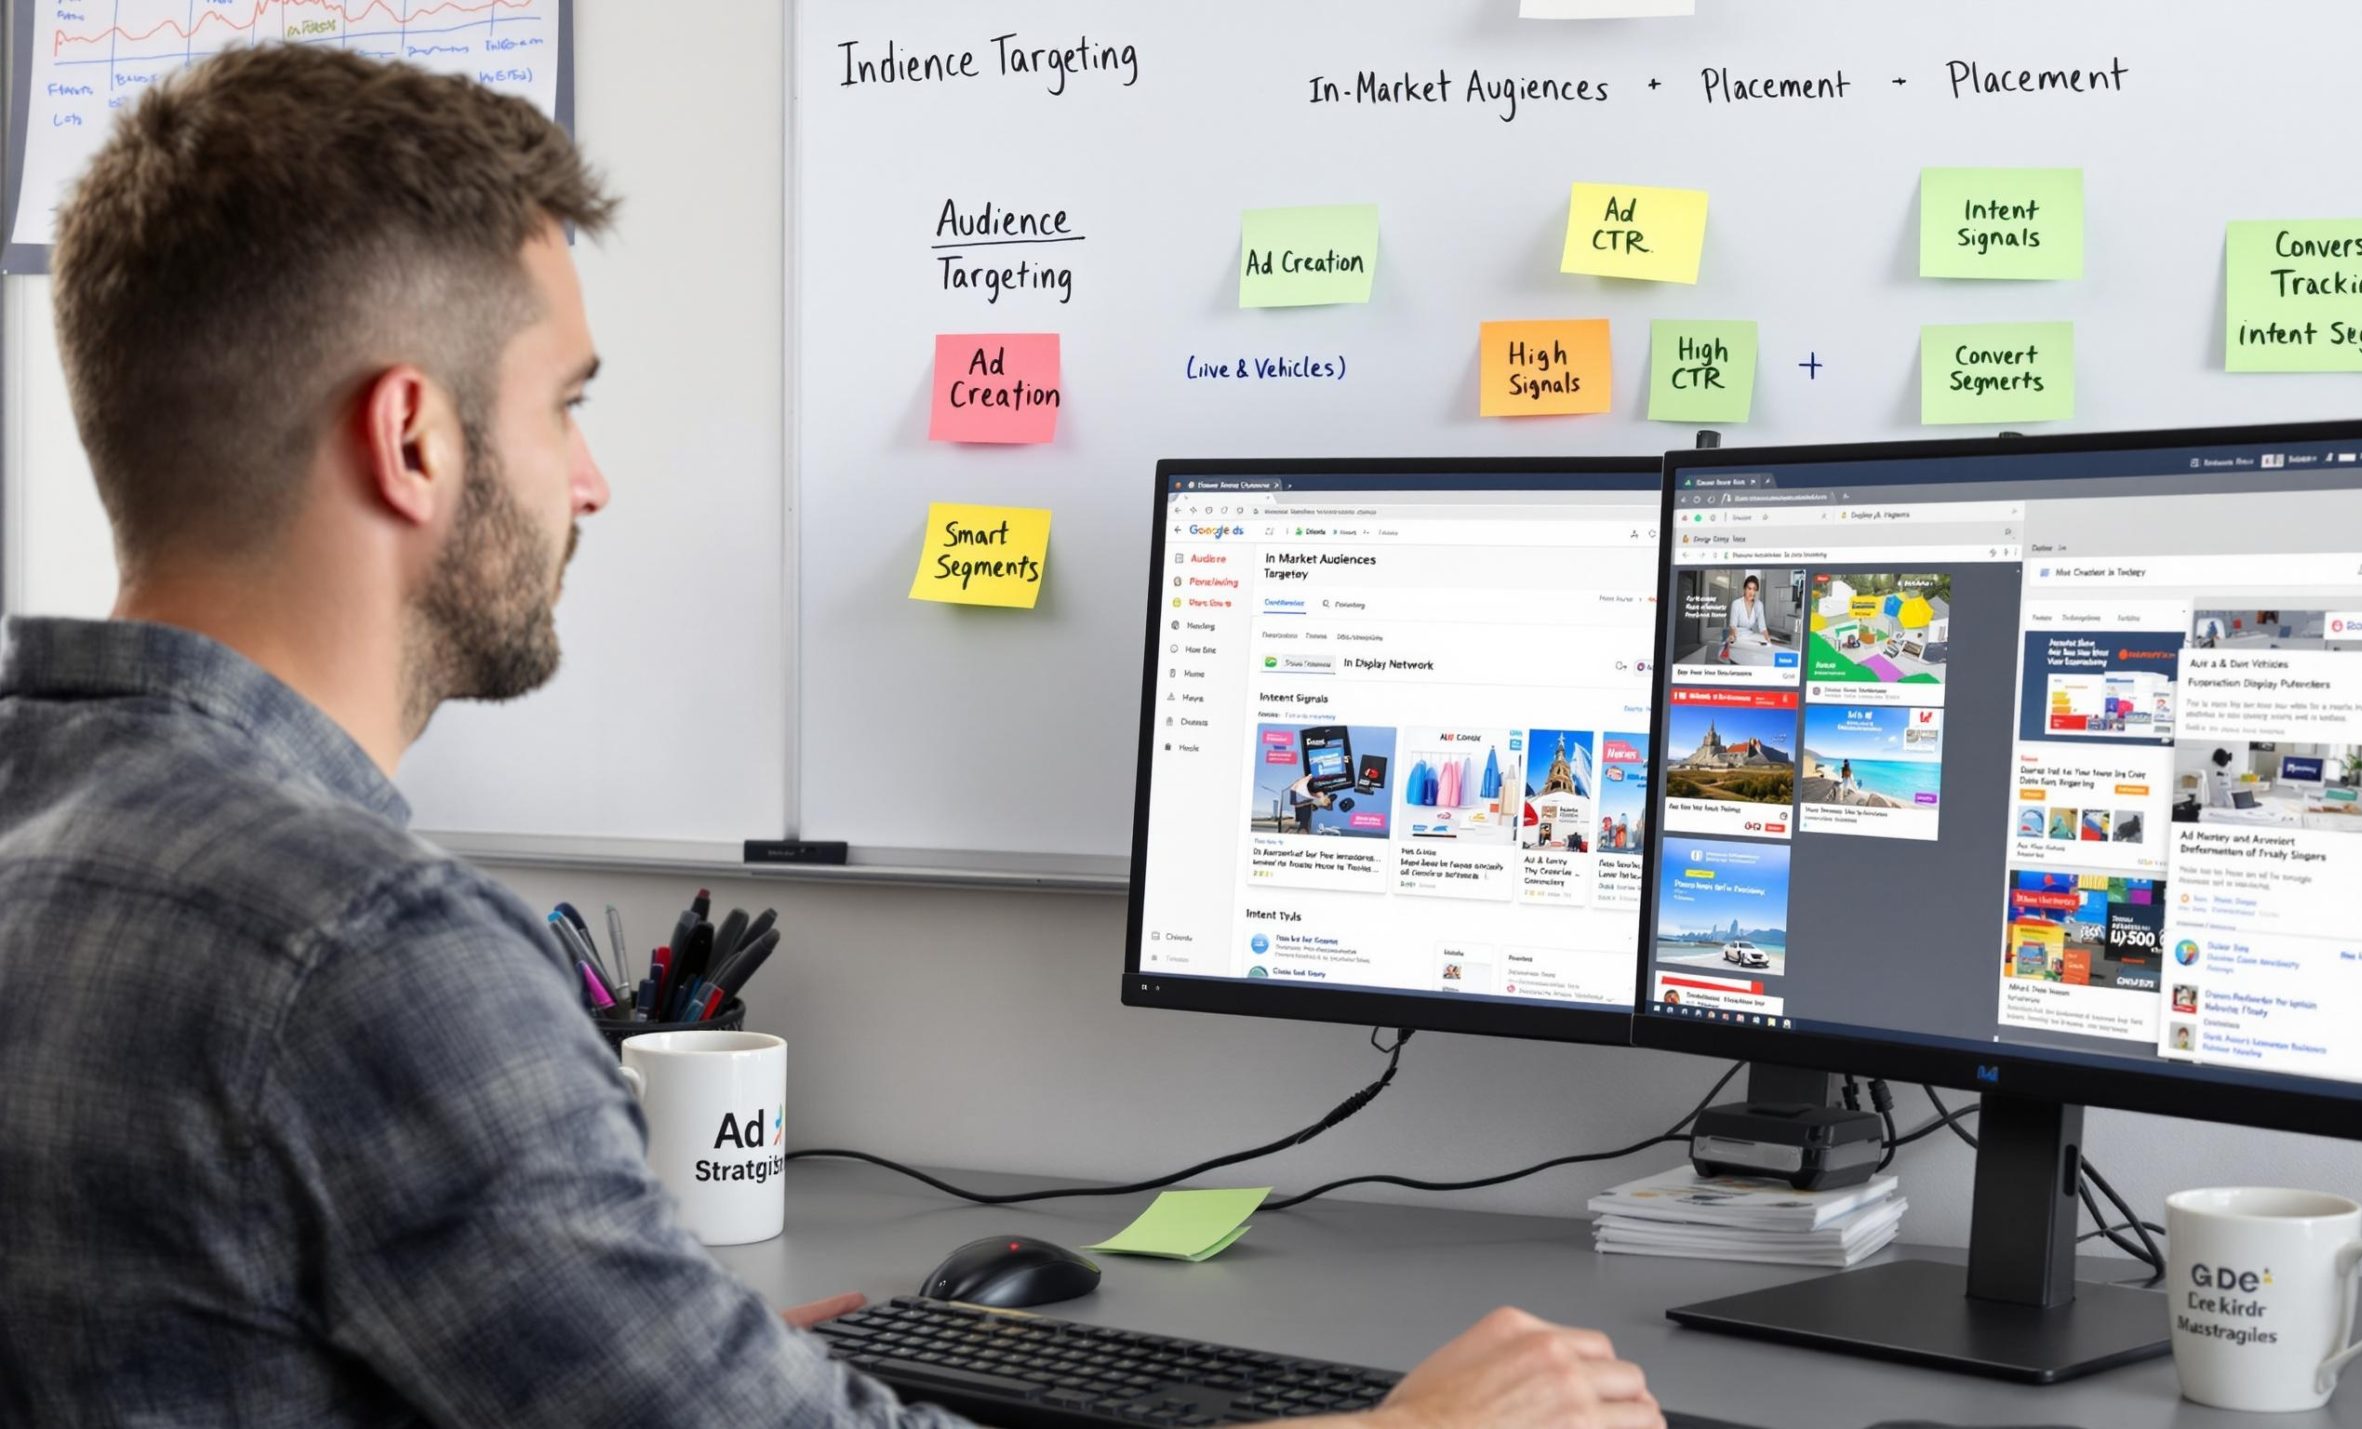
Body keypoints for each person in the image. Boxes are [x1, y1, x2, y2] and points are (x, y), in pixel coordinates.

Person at [0, 47, 1666, 1429]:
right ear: (414, 439)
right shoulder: (368, 956)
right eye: (566, 401)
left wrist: (668, 1327)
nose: (593, 480)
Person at [1730, 573, 1768, 639]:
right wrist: (1733, 638)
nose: (1751, 592)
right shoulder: (1736, 604)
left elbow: (1763, 627)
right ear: (1744, 589)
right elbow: (1733, 626)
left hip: (1751, 636)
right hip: (1738, 636)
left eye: (1754, 589)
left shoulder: (1759, 605)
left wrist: (1768, 641)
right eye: (1749, 588)